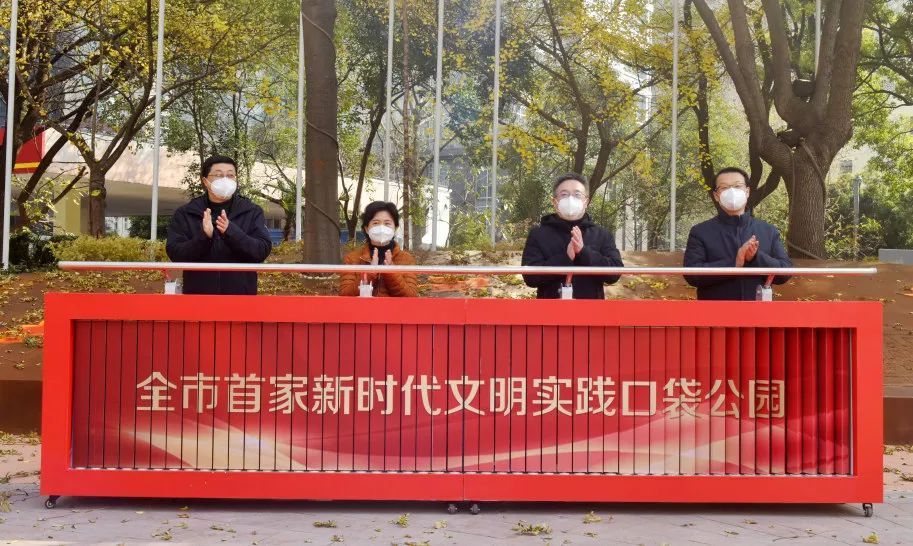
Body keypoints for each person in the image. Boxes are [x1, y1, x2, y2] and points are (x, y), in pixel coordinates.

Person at [166, 155, 272, 295]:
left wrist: (232, 232)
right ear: (205, 181)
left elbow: (261, 251)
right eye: (218, 175)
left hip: (241, 297)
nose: (225, 180)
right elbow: (176, 254)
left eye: (230, 175)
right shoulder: (187, 213)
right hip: (198, 297)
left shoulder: (251, 211)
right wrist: (204, 237)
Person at [683, 166, 792, 300]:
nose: (732, 191)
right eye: (724, 187)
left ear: (747, 191)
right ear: (716, 196)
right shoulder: (700, 232)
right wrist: (734, 263)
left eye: (737, 186)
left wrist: (756, 258)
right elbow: (692, 275)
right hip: (714, 311)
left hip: (757, 310)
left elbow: (785, 273)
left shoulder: (768, 230)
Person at [521, 173, 624, 299]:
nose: (570, 199)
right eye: (564, 194)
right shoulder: (538, 234)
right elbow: (530, 278)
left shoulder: (602, 234)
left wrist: (584, 252)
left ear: (586, 202)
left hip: (591, 309)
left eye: (577, 195)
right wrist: (565, 258)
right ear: (554, 202)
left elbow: (614, 274)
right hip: (549, 309)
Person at [339, 201, 418, 297]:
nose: (381, 228)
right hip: (364, 307)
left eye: (387, 223)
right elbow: (344, 295)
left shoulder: (407, 260)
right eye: (375, 223)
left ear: (395, 228)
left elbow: (411, 297)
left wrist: (391, 271)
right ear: (366, 228)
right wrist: (369, 273)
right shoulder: (352, 259)